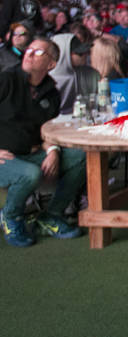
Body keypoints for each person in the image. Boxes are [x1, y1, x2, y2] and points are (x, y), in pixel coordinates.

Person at [0, 38, 87, 246]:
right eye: (29, 49)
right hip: (6, 157)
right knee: (30, 173)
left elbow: (46, 131)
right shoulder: (6, 80)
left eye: (38, 52)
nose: (29, 54)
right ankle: (11, 217)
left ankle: (52, 215)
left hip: (32, 152)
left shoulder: (51, 92)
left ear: (51, 64)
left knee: (81, 156)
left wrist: (54, 150)